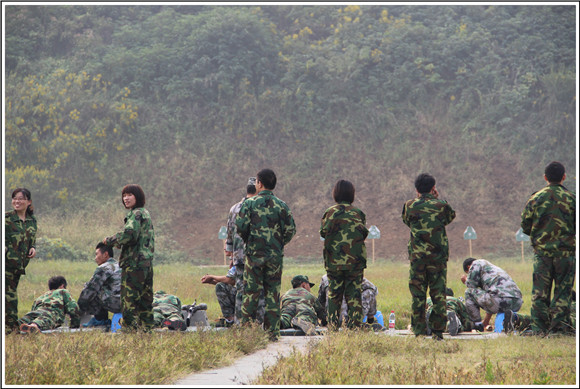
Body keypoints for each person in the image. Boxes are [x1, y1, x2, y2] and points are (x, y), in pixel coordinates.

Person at [235, 168, 296, 341]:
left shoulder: (249, 204)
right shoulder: (282, 206)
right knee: (272, 294)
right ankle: (272, 333)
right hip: (274, 257)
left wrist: (251, 240)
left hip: (254, 255)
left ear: (260, 184)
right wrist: (277, 244)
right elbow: (291, 230)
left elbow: (240, 227)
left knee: (250, 293)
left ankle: (246, 333)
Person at [521, 161, 576, 336]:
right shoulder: (572, 198)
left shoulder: (535, 198)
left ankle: (539, 328)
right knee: (563, 291)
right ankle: (559, 329)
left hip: (542, 254)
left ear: (545, 177)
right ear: (564, 177)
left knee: (540, 293)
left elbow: (525, 226)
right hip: (565, 255)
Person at [402, 173, 456, 340]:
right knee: (438, 294)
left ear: (416, 189)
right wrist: (437, 199)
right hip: (437, 258)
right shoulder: (441, 206)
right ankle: (438, 333)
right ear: (434, 188)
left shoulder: (409, 205)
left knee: (418, 295)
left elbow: (407, 221)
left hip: (417, 258)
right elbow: (450, 217)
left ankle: (418, 332)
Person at [103, 184, 155, 332]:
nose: (126, 198)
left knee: (129, 301)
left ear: (137, 197)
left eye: (129, 195)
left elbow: (130, 235)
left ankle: (130, 331)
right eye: (124, 195)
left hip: (134, 264)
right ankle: (147, 331)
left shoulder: (136, 214)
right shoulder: (145, 213)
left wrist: (110, 240)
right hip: (146, 264)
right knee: (145, 300)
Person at [320, 179, 368, 330]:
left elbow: (323, 232)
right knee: (354, 296)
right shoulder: (358, 213)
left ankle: (333, 329)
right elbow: (363, 233)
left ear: (335, 194)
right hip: (355, 263)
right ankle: (354, 330)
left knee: (334, 296)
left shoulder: (329, 213)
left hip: (334, 263)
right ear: (352, 195)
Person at [224, 177, 265, 324]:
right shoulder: (259, 207)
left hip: (239, 258)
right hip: (256, 257)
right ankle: (259, 325)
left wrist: (232, 258)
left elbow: (229, 236)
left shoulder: (234, 208)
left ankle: (240, 325)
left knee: (241, 292)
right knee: (259, 292)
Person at [5, 188, 38, 333]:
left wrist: (33, 248)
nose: (17, 201)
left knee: (10, 294)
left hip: (19, 266)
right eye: (14, 198)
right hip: (6, 264)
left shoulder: (31, 221)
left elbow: (32, 241)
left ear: (28, 202)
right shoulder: (6, 218)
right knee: (10, 296)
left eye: (20, 198)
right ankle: (10, 328)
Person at [461, 258, 523, 332]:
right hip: (517, 302)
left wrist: (465, 280)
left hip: (499, 300)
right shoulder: (491, 269)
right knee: (490, 296)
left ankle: (476, 325)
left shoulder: (476, 263)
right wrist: (486, 321)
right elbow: (489, 296)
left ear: (468, 267)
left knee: (469, 292)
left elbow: (471, 285)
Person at [78, 242, 122, 327]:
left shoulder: (104, 267)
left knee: (90, 289)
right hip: (127, 303)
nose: (95, 258)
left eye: (97, 254)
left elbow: (90, 291)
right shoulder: (120, 265)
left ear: (105, 254)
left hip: (115, 303)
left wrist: (78, 310)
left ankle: (100, 320)